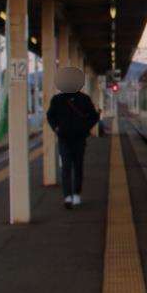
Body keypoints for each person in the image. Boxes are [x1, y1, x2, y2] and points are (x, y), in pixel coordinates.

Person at [47, 66, 100, 208]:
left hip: (76, 138)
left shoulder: (82, 99)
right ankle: (69, 196)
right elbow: (50, 116)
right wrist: (57, 128)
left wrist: (58, 128)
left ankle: (74, 194)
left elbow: (93, 117)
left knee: (72, 167)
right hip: (67, 138)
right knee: (72, 167)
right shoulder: (59, 100)